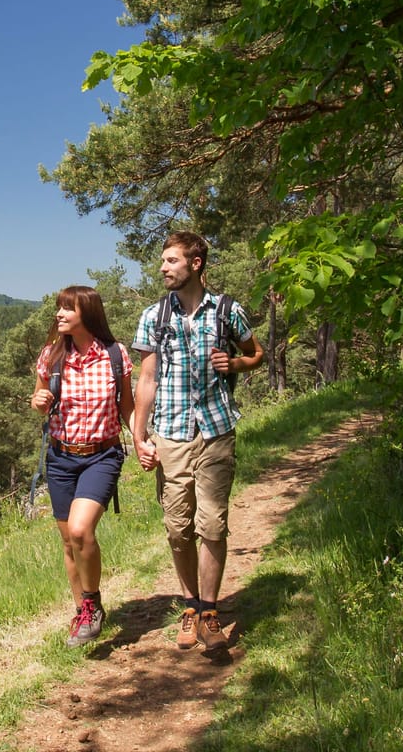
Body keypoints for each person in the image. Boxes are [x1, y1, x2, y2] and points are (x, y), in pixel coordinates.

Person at [130, 231, 263, 652]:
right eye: (163, 261)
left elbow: (255, 353)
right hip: (169, 434)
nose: (163, 268)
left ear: (196, 263)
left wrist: (236, 362)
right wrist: (138, 436)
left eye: (171, 261)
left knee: (212, 524)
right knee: (177, 529)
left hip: (216, 429)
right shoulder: (154, 316)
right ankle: (189, 605)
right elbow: (147, 379)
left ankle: (208, 612)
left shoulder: (227, 311)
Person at [31, 285, 134, 647]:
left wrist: (142, 440)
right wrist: (40, 400)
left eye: (66, 309)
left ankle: (90, 603)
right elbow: (40, 400)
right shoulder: (51, 355)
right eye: (59, 308)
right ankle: (85, 614)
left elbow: (128, 407)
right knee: (67, 542)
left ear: (86, 313)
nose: (58, 314)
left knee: (79, 530)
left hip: (102, 455)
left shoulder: (114, 355)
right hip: (60, 457)